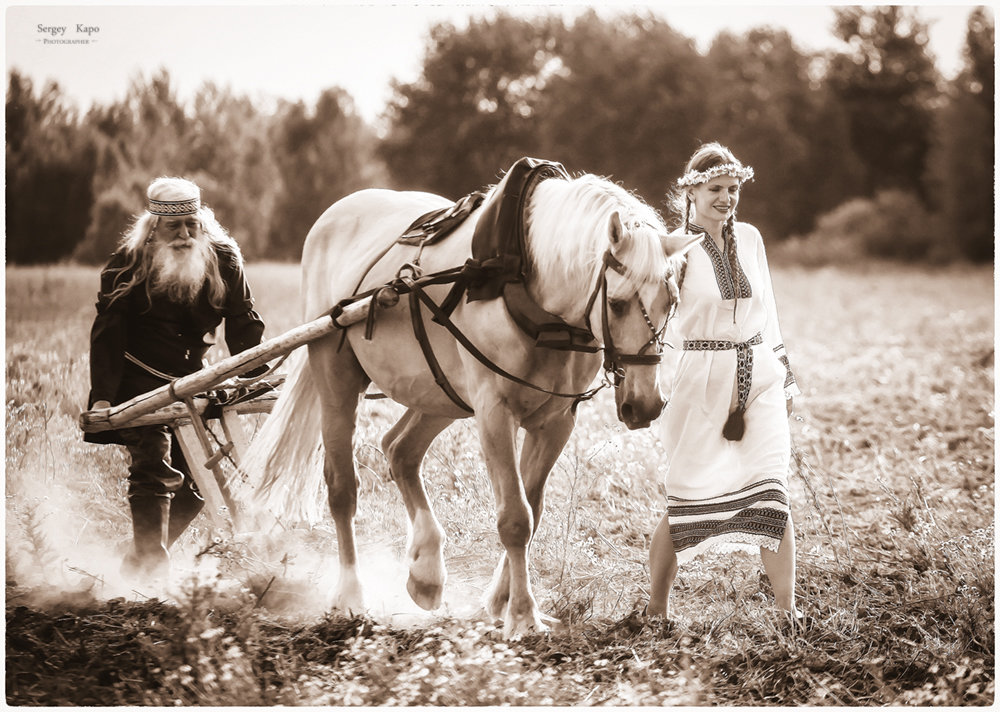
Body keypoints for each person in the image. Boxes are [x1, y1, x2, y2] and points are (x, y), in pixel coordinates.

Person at [648, 142, 802, 622]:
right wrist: (653, 385)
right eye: (716, 189)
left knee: (772, 490)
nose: (726, 198)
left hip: (758, 376)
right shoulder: (672, 250)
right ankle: (656, 608)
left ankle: (786, 613)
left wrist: (785, 377)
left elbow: (769, 311)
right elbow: (654, 324)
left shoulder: (752, 239)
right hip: (699, 381)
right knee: (688, 494)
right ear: (690, 192)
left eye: (733, 189)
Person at [86, 177, 267, 582]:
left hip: (194, 382)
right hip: (138, 381)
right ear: (154, 229)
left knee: (203, 481)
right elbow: (108, 334)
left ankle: (141, 557)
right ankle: (151, 569)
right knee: (153, 466)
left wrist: (258, 373)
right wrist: (103, 397)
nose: (185, 235)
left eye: (192, 224)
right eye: (175, 227)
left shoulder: (224, 259)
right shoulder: (126, 265)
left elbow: (243, 322)